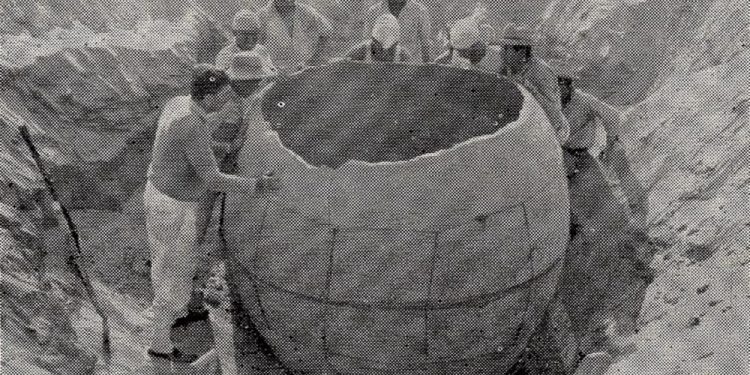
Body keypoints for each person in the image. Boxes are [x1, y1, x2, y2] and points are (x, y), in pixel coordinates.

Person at [145, 64, 280, 363]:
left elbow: (204, 123)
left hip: (159, 194)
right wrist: (257, 185)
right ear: (207, 97)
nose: (227, 96)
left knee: (166, 263)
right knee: (176, 270)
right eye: (222, 93)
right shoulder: (191, 126)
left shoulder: (179, 104)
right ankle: (160, 344)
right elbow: (213, 179)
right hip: (173, 205)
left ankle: (170, 316)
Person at [499, 24, 569, 145]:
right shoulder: (508, 67)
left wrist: (529, 88)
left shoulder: (540, 72)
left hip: (551, 134)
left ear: (521, 52)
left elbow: (554, 115)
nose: (501, 53)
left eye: (506, 48)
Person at [554, 66, 620, 178]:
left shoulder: (583, 100)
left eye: (558, 86)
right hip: (560, 152)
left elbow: (612, 116)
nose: (555, 91)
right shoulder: (552, 103)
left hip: (580, 153)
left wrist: (610, 143)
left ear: (567, 85)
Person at [257, 0, 333, 73]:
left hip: (304, 71)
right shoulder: (262, 16)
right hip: (275, 73)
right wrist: (268, 68)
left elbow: (326, 32)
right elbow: (255, 48)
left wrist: (313, 59)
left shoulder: (306, 12)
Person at [362, 0, 432, 63]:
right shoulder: (374, 11)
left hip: (410, 69)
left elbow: (425, 45)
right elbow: (367, 43)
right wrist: (377, 56)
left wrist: (427, 73)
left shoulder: (420, 11)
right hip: (378, 69)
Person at [344, 13, 412, 63]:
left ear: (396, 43)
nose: (384, 54)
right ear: (373, 40)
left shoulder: (402, 56)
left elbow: (415, 78)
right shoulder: (362, 51)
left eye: (390, 50)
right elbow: (340, 67)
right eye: (380, 49)